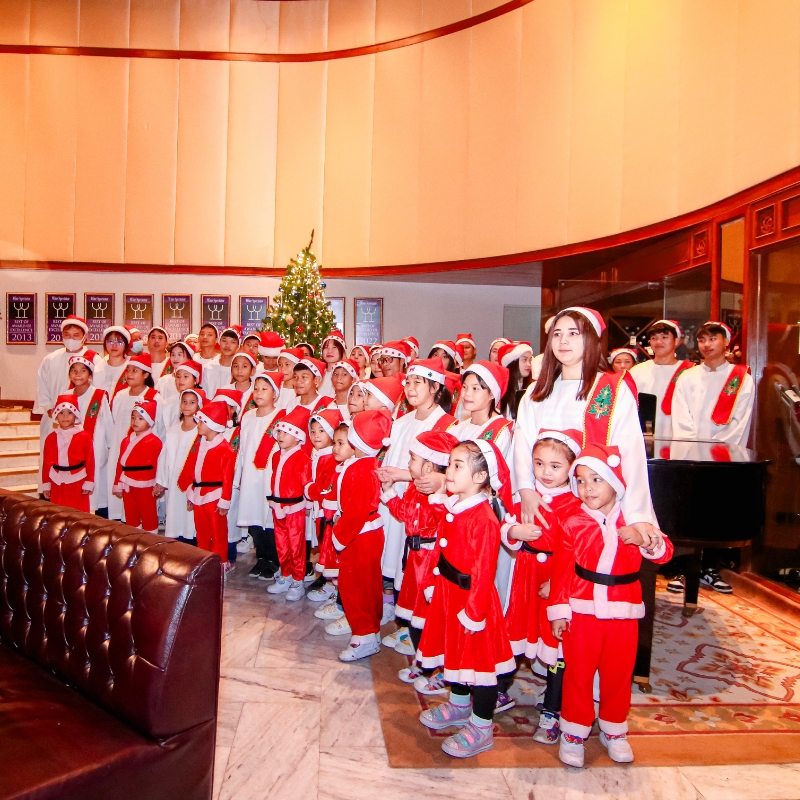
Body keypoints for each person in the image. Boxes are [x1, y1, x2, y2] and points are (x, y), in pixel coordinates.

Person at [548, 443, 673, 768]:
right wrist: (559, 610)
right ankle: (573, 732)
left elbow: (665, 553)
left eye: (596, 480)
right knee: (578, 673)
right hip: (582, 611)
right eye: (581, 481)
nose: (587, 488)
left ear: (615, 483)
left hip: (624, 611)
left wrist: (644, 539)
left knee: (618, 673)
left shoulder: (634, 520)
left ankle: (614, 729)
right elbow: (561, 571)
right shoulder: (572, 521)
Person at [513, 307, 658, 541]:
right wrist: (526, 490)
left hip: (594, 507)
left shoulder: (612, 390)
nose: (563, 341)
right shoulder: (536, 392)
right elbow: (522, 445)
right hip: (545, 503)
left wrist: (637, 515)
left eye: (573, 333)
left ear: (590, 339)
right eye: (557, 334)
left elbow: (630, 453)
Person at [416, 439, 516, 758]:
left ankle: (482, 725)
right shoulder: (455, 507)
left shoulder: (483, 519)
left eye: (457, 465)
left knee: (481, 666)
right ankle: (459, 705)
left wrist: (474, 614)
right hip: (449, 593)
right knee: (455, 653)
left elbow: (484, 571)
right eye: (450, 463)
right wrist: (433, 580)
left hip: (474, 602)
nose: (449, 470)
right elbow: (440, 548)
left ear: (480, 477)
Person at [501, 429, 582, 744]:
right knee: (516, 629)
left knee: (554, 641)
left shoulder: (575, 503)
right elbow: (505, 522)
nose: (545, 472)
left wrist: (559, 584)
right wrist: (514, 532)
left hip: (553, 579)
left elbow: (576, 552)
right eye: (539, 463)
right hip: (525, 573)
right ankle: (499, 689)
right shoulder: (525, 495)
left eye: (555, 466)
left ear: (571, 467)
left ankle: (553, 708)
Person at [374, 358, 456, 599]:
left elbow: (445, 472)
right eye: (407, 382)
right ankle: (390, 600)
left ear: (435, 387)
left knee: (415, 563)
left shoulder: (447, 425)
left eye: (417, 382)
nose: (410, 388)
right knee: (391, 553)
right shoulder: (401, 422)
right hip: (396, 499)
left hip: (423, 509)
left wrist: (402, 475)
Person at [381, 430, 458, 679]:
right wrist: (388, 492)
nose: (408, 464)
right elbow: (404, 513)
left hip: (431, 563)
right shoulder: (413, 489)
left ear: (428, 466)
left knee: (429, 617)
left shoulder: (446, 497)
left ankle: (436, 668)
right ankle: (421, 661)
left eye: (412, 458)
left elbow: (447, 522)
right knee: (413, 615)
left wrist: (439, 492)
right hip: (414, 561)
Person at [331, 410, 393, 662]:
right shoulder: (362, 464)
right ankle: (368, 631)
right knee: (362, 584)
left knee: (358, 586)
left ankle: (365, 635)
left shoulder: (362, 469)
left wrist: (339, 534)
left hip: (358, 534)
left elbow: (357, 510)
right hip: (361, 531)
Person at [36, 315, 102, 494]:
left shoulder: (94, 359)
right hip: (54, 418)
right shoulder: (50, 359)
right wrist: (49, 408)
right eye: (67, 334)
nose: (71, 338)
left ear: (84, 337)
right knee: (51, 455)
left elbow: (97, 391)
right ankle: (48, 490)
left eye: (76, 335)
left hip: (82, 420)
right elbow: (42, 386)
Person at [672, 320, 755, 447]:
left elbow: (740, 422)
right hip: (691, 452)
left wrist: (715, 448)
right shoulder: (687, 377)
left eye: (712, 339)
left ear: (726, 342)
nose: (706, 344)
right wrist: (693, 448)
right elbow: (680, 418)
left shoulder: (741, 379)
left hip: (726, 452)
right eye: (702, 340)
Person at [237, 373, 285, 577]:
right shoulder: (247, 416)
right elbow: (242, 449)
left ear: (275, 393)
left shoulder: (281, 417)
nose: (258, 393)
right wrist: (239, 475)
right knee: (253, 515)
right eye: (256, 388)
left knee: (269, 518)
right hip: (250, 474)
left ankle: (274, 559)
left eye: (264, 389)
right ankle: (262, 557)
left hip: (270, 475)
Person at [179, 400, 236, 570]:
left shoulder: (225, 449)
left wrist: (224, 501)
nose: (198, 425)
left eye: (202, 422)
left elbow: (228, 478)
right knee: (201, 531)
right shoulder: (200, 444)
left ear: (213, 425)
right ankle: (203, 561)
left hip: (215, 497)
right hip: (199, 495)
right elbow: (195, 470)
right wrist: (191, 494)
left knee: (218, 532)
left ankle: (221, 563)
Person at [107, 353, 162, 522]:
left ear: (145, 375)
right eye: (128, 370)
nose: (129, 374)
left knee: (144, 506)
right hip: (121, 448)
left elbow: (159, 427)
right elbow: (114, 421)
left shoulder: (154, 397)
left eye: (135, 371)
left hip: (143, 456)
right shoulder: (120, 396)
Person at [266, 407, 313, 601]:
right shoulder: (276, 456)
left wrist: (308, 505)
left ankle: (298, 580)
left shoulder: (303, 459)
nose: (280, 436)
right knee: (281, 544)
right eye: (279, 431)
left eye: (286, 432)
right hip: (277, 506)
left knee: (296, 545)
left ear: (298, 437)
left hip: (295, 509)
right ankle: (285, 575)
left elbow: (307, 482)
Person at [155, 388, 205, 544]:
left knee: (190, 519)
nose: (187, 405)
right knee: (175, 513)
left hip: (192, 482)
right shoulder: (172, 430)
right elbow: (164, 457)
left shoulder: (201, 432)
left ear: (198, 406)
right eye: (184, 402)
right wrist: (161, 481)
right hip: (174, 481)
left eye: (192, 402)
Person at [629, 320, 693, 440]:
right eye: (654, 338)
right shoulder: (636, 372)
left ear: (677, 341)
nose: (658, 342)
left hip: (681, 438)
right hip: (645, 438)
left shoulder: (690, 372)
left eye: (664, 337)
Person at [67, 350, 112, 517]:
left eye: (82, 370)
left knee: (97, 487)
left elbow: (108, 424)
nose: (78, 374)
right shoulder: (65, 395)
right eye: (74, 370)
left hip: (96, 448)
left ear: (90, 374)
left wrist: (110, 448)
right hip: (71, 451)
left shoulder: (99, 395)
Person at [304, 408, 343, 602]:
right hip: (319, 510)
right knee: (323, 547)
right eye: (312, 431)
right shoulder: (317, 454)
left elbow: (325, 488)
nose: (316, 435)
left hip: (328, 512)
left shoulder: (331, 458)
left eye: (321, 431)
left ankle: (334, 587)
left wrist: (308, 490)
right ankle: (329, 583)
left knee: (330, 549)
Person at [112, 399, 162, 533]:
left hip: (146, 484)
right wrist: (117, 483)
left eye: (141, 418)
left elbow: (159, 465)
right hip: (127, 482)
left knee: (148, 514)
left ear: (149, 421)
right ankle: (133, 538)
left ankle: (151, 541)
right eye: (133, 418)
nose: (135, 421)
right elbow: (120, 463)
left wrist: (159, 483)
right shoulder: (126, 440)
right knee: (130, 513)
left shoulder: (155, 442)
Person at [41, 394, 95, 512]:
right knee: (58, 513)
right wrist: (46, 483)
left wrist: (89, 481)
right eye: (61, 412)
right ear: (56, 415)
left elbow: (90, 461)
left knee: (78, 513)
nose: (65, 416)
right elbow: (46, 463)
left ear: (76, 415)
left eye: (69, 412)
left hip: (78, 481)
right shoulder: (51, 438)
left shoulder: (84, 436)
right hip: (57, 482)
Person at [95, 324, 131, 403]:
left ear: (126, 346)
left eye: (120, 342)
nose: (114, 345)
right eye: (110, 342)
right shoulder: (97, 368)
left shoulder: (130, 368)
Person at [498, 341, 533, 421]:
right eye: (524, 360)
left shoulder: (533, 387)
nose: (529, 364)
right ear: (513, 363)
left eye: (530, 360)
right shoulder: (501, 390)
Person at [205, 326, 243, 399]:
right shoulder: (209, 367)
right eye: (224, 341)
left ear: (238, 346)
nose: (227, 345)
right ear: (219, 342)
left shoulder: (240, 371)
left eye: (233, 342)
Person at [320, 330, 347, 396]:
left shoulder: (347, 375)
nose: (329, 351)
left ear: (342, 351)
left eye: (334, 347)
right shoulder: (318, 374)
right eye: (326, 347)